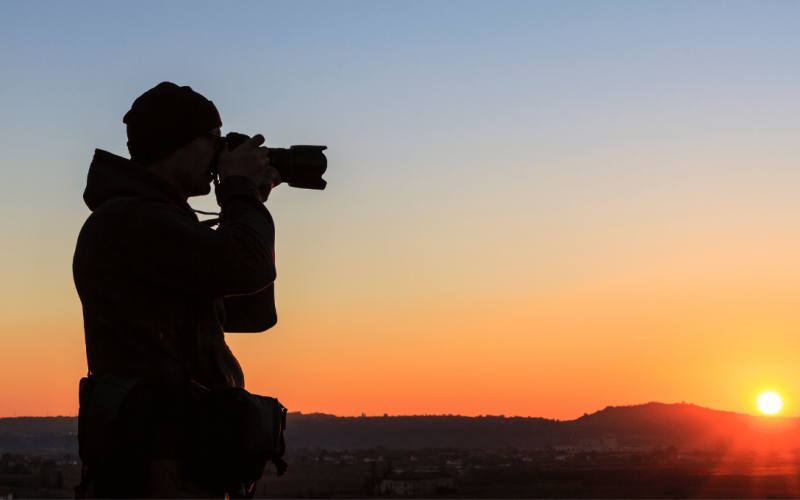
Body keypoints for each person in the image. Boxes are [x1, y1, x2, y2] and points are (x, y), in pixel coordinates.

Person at [73, 82, 281, 498]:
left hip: (184, 459)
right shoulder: (133, 220)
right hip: (159, 465)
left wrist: (248, 201)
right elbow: (248, 267)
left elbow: (254, 311)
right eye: (214, 138)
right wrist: (240, 193)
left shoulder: (159, 222)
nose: (221, 151)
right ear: (176, 144)